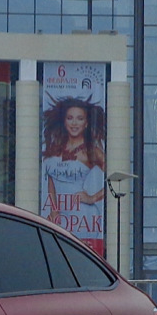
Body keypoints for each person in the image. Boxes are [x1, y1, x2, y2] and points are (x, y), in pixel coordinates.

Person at [42, 98, 107, 247]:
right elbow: (51, 180)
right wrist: (54, 210)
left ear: (86, 123)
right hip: (59, 216)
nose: (74, 123)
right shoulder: (56, 147)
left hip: (83, 216)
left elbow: (116, 179)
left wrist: (93, 198)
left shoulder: (91, 151)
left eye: (80, 118)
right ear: (64, 122)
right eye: (70, 118)